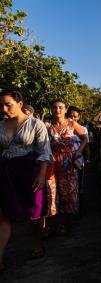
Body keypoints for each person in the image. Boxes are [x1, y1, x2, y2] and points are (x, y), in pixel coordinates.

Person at [0, 90, 53, 271]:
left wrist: (41, 174)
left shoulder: (36, 124)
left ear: (20, 104)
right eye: (1, 105)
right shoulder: (0, 125)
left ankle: (37, 244)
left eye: (8, 105)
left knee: (35, 212)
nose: (4, 109)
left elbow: (44, 151)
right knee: (3, 215)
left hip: (30, 172)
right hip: (6, 172)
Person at [45, 100, 87, 234]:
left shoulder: (71, 123)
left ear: (65, 109)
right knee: (51, 192)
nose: (57, 110)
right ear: (51, 109)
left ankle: (66, 225)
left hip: (68, 162)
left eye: (60, 108)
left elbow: (85, 137)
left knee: (68, 192)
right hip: (51, 162)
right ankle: (51, 226)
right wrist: (51, 146)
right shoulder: (46, 125)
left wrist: (79, 152)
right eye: (54, 107)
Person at [66, 106, 90, 218]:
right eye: (70, 116)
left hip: (79, 162)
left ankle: (79, 210)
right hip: (65, 162)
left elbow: (86, 147)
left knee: (79, 186)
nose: (72, 118)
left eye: (75, 116)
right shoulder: (64, 128)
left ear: (79, 117)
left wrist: (88, 160)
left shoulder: (83, 129)